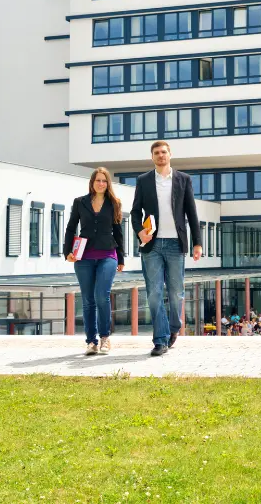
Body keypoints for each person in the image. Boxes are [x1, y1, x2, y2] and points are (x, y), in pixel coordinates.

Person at [130, 141, 202, 357]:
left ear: (170, 154)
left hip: (175, 244)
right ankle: (160, 340)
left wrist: (197, 242)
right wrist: (139, 231)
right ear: (152, 157)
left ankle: (173, 327)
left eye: (163, 152)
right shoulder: (143, 181)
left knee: (176, 292)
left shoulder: (183, 180)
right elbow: (134, 212)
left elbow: (191, 212)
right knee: (154, 293)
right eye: (156, 153)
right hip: (151, 245)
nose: (160, 155)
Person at [64, 167, 126, 356]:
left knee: (102, 295)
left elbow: (118, 232)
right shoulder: (80, 202)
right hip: (83, 257)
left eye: (104, 181)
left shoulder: (114, 203)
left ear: (108, 184)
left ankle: (105, 337)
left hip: (108, 255)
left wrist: (121, 258)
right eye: (97, 180)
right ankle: (91, 341)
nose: (101, 183)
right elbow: (71, 227)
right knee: (88, 299)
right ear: (92, 182)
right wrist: (67, 251)